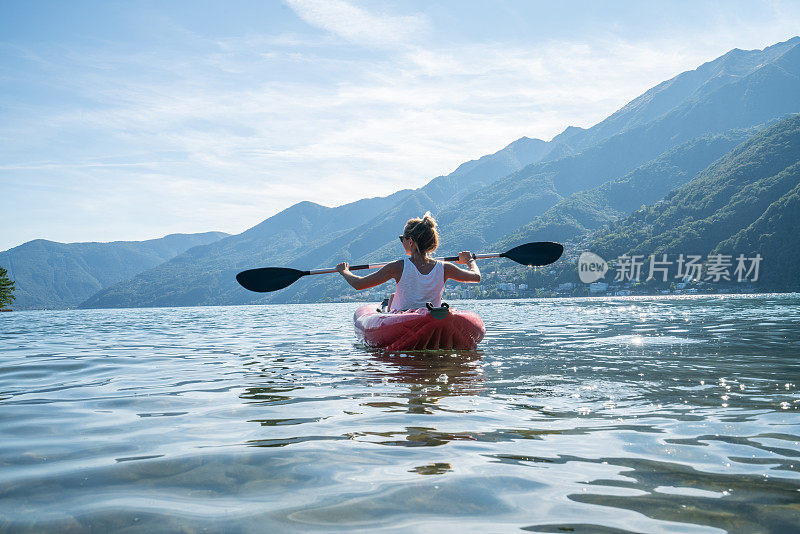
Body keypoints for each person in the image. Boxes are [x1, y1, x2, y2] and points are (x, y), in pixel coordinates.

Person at [335, 212, 481, 311]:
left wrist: (344, 271)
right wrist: (469, 261)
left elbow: (359, 284)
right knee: (393, 296)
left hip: (403, 319)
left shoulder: (398, 267)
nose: (401, 241)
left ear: (410, 241)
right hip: (431, 317)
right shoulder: (445, 268)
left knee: (393, 298)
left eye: (402, 238)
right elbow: (476, 277)